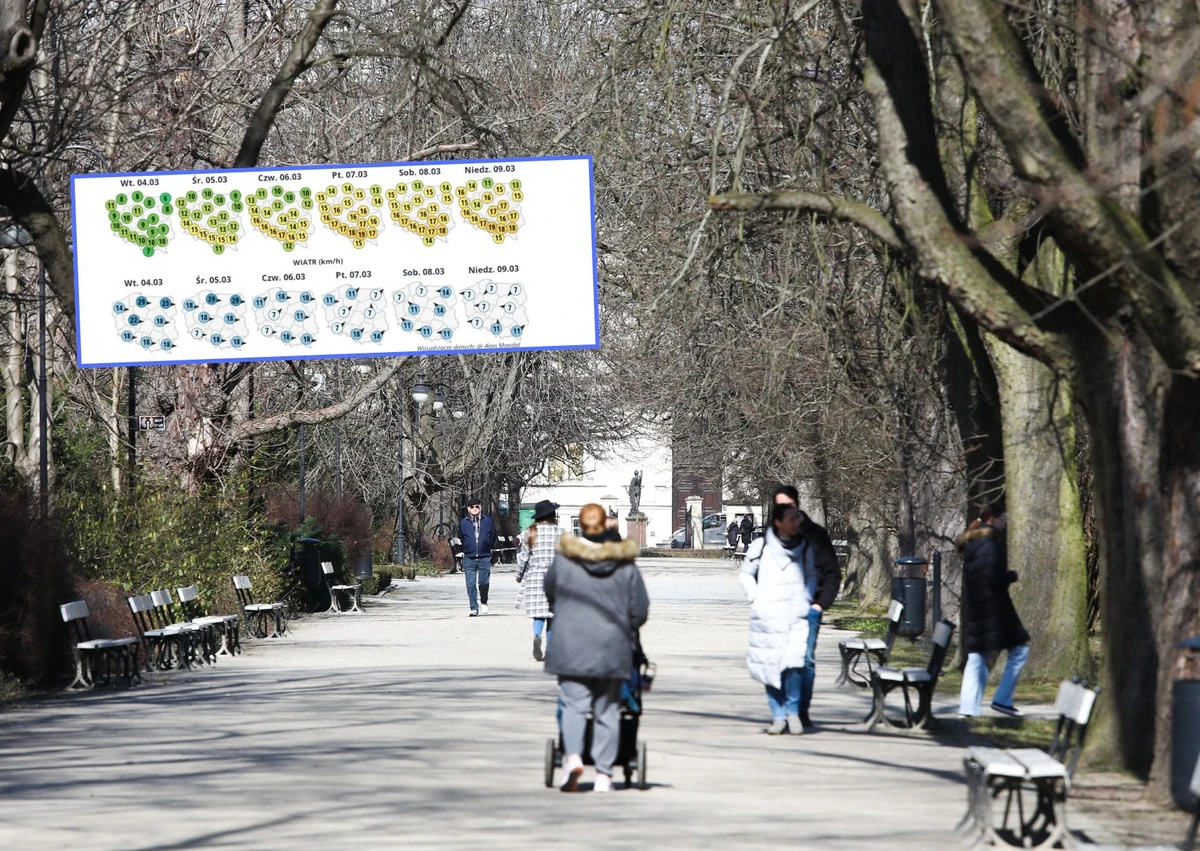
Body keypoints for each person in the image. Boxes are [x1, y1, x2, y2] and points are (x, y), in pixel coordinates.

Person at [544, 503, 649, 792]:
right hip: (611, 645)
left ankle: (574, 757)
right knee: (608, 709)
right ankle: (604, 775)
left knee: (574, 704)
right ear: (606, 526)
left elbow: (549, 590)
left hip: (571, 644)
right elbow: (640, 609)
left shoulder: (564, 561)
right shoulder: (624, 565)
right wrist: (627, 627)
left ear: (580, 526)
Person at [739, 502, 816, 735]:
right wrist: (757, 599)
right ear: (778, 523)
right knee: (770, 666)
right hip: (769, 615)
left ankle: (792, 711)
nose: (796, 523)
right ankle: (778, 714)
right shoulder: (761, 547)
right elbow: (745, 575)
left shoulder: (805, 547)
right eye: (791, 519)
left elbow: (812, 576)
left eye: (797, 519)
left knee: (794, 665)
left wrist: (806, 599)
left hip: (796, 615)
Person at [771, 485, 840, 729]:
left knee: (805, 660)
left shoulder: (815, 533)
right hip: (778, 609)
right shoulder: (771, 536)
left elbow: (832, 572)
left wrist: (821, 604)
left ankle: (801, 711)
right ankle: (783, 711)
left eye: (788, 505)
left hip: (809, 608)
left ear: (797, 504)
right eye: (779, 506)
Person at [957, 506, 1030, 718]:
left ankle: (968, 709)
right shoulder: (989, 545)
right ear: (992, 518)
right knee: (1019, 651)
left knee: (977, 657)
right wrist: (1011, 575)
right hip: (995, 610)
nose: (1004, 522)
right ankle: (1002, 699)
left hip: (979, 608)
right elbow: (992, 578)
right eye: (1003, 518)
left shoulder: (973, 544)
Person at [516, 499, 562, 661]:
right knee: (552, 615)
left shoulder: (530, 533)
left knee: (539, 614)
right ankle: (550, 648)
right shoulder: (559, 532)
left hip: (535, 577)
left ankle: (537, 636)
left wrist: (519, 574)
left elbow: (524, 557)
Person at [458, 496, 496, 617]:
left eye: (477, 506)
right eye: (472, 507)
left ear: (480, 507)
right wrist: (467, 547)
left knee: (483, 583)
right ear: (468, 509)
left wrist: (487, 545)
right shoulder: (464, 522)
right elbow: (461, 537)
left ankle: (484, 600)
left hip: (484, 556)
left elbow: (493, 535)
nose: (475, 509)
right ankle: (474, 608)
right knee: (470, 584)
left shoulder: (488, 521)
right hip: (469, 557)